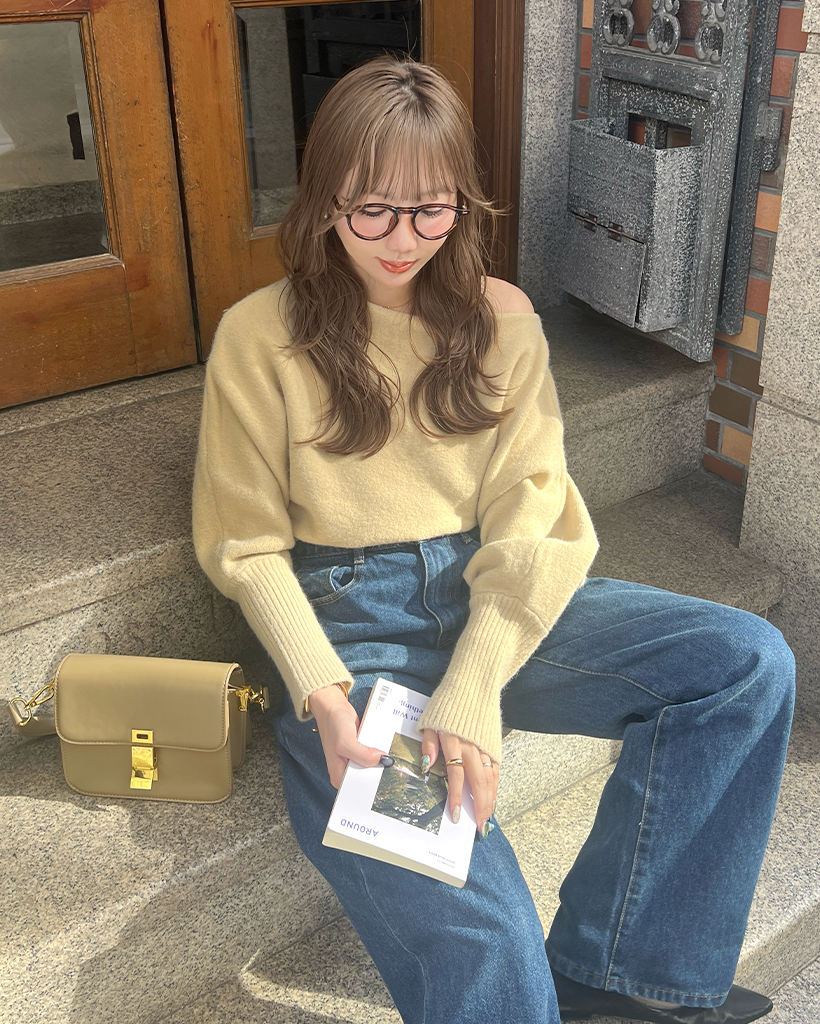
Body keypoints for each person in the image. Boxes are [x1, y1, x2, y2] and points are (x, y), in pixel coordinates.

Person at [192, 56, 795, 1024]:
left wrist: (473, 688)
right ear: (326, 199)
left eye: (430, 210)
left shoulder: (501, 319)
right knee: (491, 939)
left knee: (740, 662)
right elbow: (245, 543)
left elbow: (532, 510)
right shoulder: (259, 334)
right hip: (353, 633)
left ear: (460, 204)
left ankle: (622, 983)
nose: (403, 239)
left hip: (493, 596)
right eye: (371, 210)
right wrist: (324, 696)